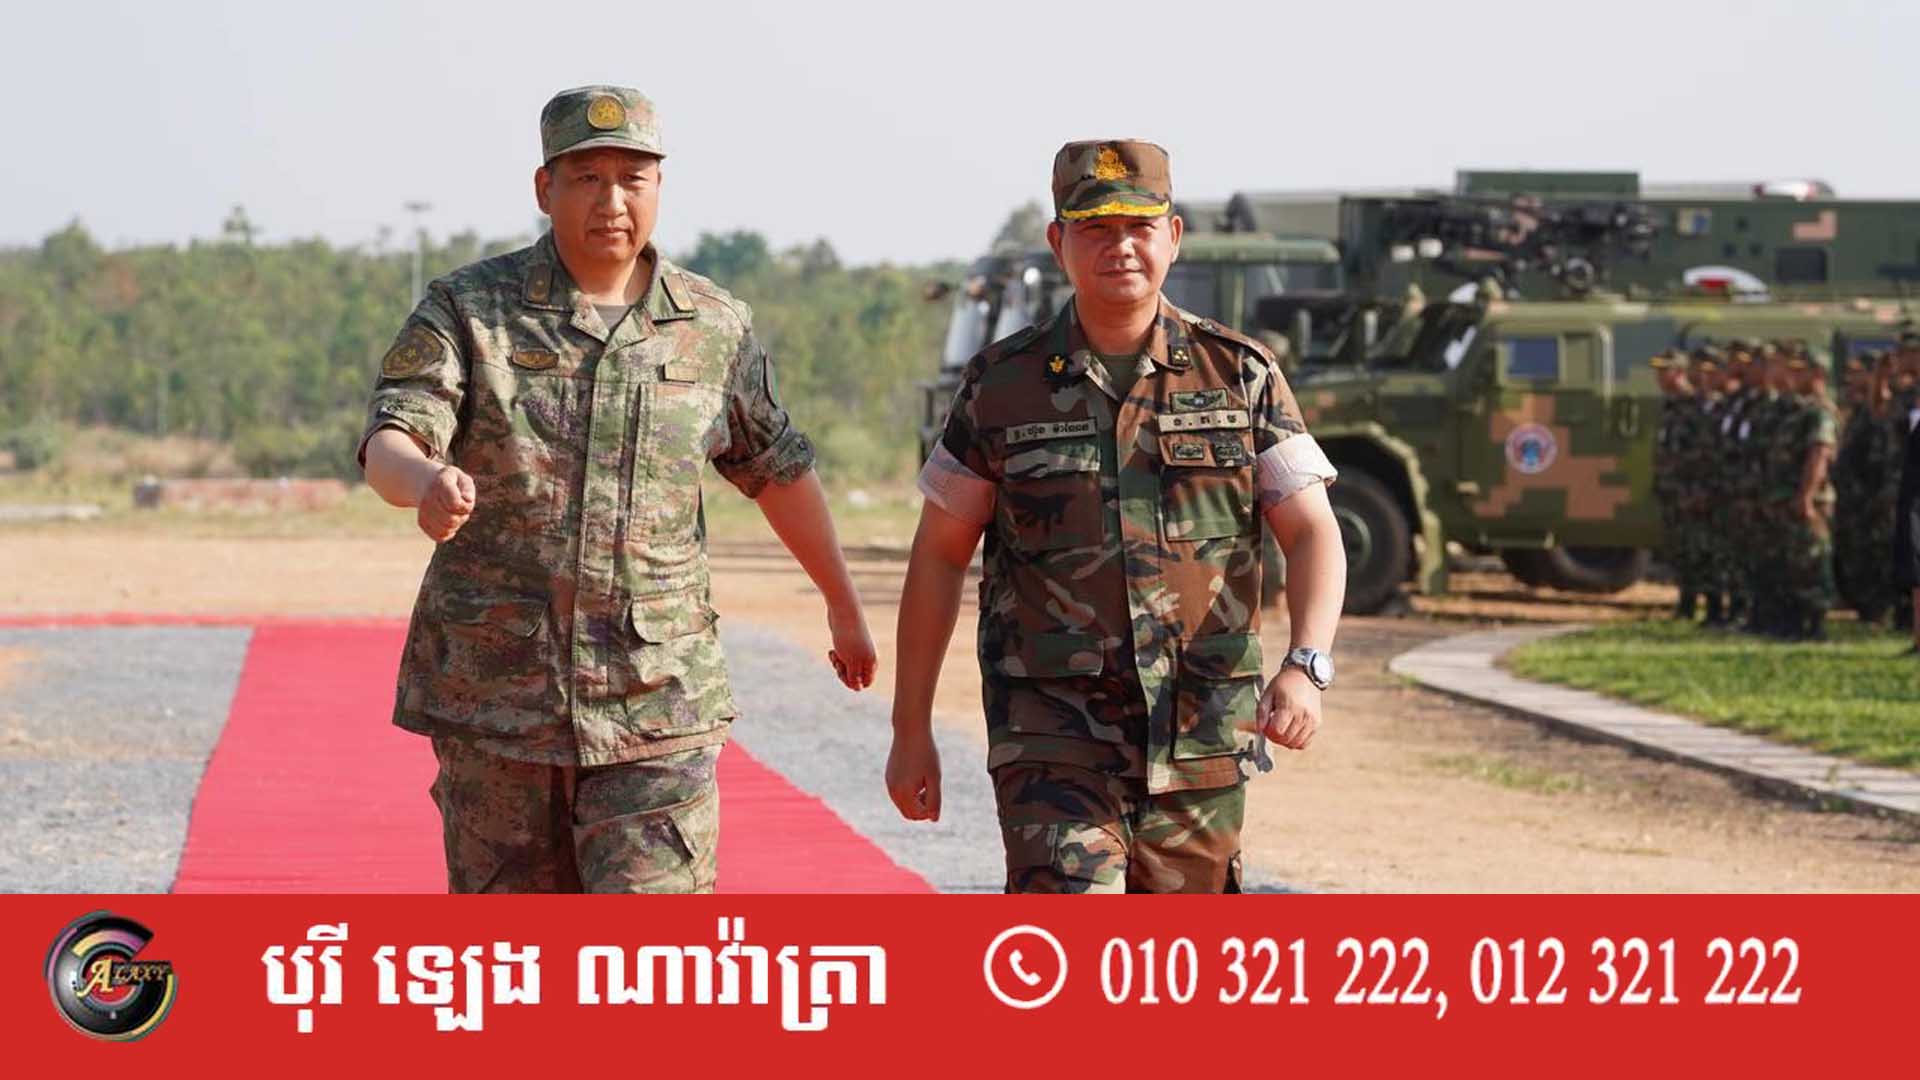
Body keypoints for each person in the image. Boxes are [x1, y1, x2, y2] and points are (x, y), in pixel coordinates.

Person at [356, 86, 877, 893]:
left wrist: (841, 602)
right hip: (501, 700)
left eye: (633, 179)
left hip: (657, 699)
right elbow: (393, 434)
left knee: (647, 951)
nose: (611, 201)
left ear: (659, 187)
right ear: (545, 189)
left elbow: (778, 469)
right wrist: (425, 481)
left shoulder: (712, 326)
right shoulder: (471, 308)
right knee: (517, 959)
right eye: (586, 178)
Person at [884, 140, 1346, 893]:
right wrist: (911, 730)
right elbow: (939, 553)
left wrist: (1307, 664)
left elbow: (1313, 530)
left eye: (1139, 226)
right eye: (1096, 229)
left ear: (1173, 236)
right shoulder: (1001, 387)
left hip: (1200, 734)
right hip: (1052, 738)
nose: (1120, 246)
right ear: (1058, 242)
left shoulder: (1241, 374)